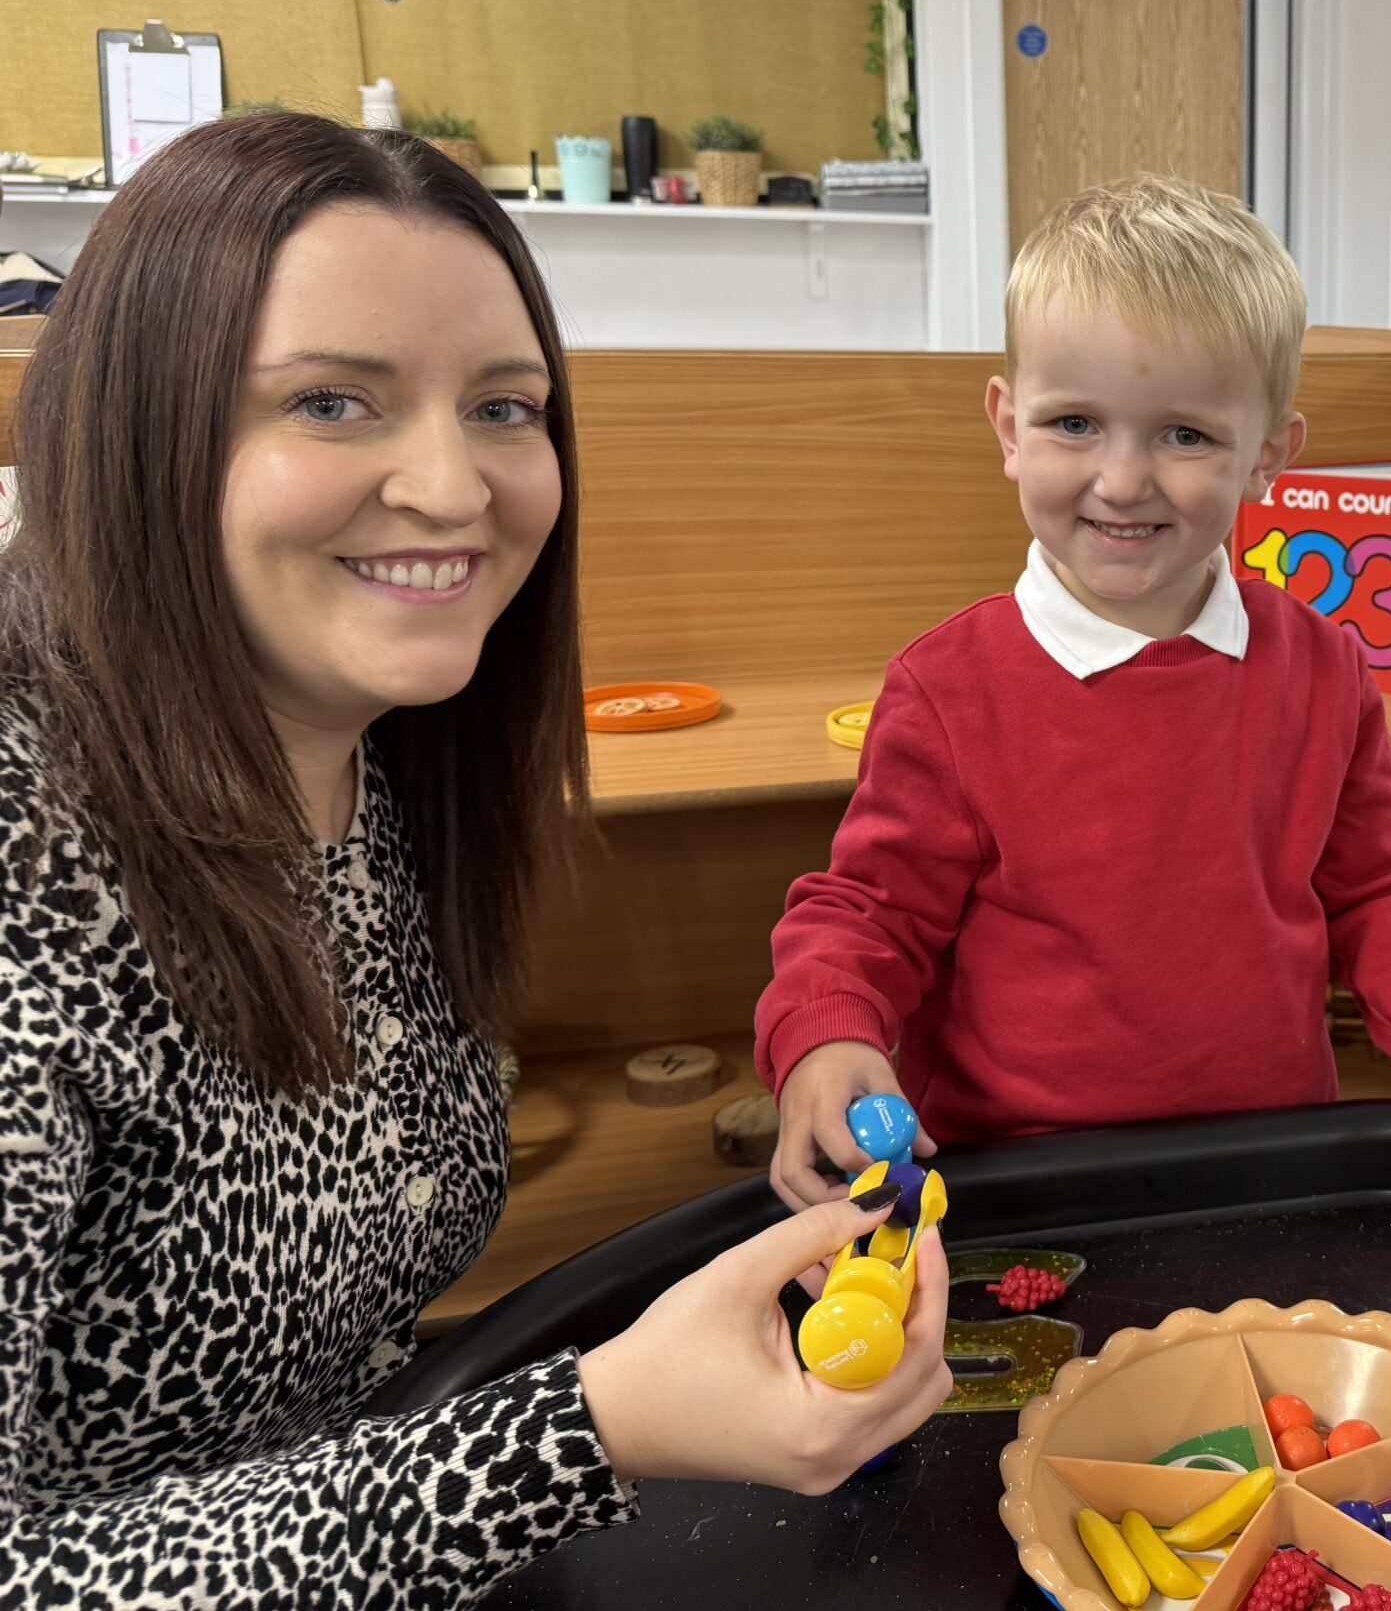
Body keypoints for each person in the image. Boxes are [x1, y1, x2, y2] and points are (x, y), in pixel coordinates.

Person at [0, 115, 951, 1609]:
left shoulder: (375, 759)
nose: (455, 489)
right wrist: (584, 1431)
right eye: (330, 402)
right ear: (138, 427)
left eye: (506, 408)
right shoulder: (25, 872)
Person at [758, 173, 1391, 1205]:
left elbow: (1377, 896)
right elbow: (869, 915)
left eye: (1185, 435)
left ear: (1267, 458)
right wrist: (823, 1036)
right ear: (1008, 427)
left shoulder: (1326, 671)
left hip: (1267, 1172)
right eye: (1073, 425)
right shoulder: (946, 690)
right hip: (1016, 1182)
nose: (1121, 479)